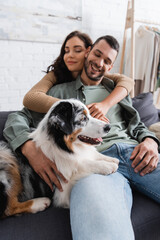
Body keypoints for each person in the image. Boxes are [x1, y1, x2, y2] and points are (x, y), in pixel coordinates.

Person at [3, 34, 160, 240]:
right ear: (88, 53)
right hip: (91, 165)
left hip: (135, 152)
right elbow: (18, 116)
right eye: (97, 54)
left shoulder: (116, 91)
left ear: (111, 67)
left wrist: (151, 141)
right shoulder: (59, 94)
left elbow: (137, 125)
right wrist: (26, 145)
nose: (99, 63)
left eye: (107, 61)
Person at [23, 31, 134, 122]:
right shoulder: (56, 75)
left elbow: (127, 81)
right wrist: (74, 109)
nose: (70, 55)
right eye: (66, 51)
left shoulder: (99, 73)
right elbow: (30, 98)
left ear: (87, 52)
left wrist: (106, 104)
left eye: (77, 50)